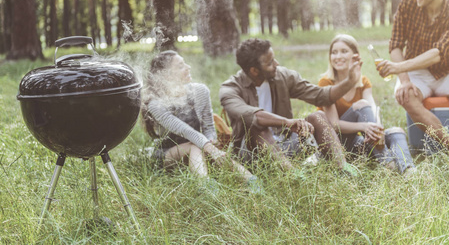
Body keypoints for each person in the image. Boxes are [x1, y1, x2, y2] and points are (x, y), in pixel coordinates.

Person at [219, 38, 361, 176]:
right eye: (270, 63)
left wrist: (349, 81)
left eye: (274, 59)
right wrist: (287, 122)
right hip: (252, 155)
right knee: (257, 129)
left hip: (285, 143)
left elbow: (321, 96)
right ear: (254, 70)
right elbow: (253, 116)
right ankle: (293, 177)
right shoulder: (230, 89)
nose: (276, 63)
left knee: (319, 117)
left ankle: (343, 169)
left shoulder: (282, 76)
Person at [142, 50, 263, 194]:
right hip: (168, 153)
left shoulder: (200, 91)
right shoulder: (156, 104)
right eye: (180, 66)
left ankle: (252, 181)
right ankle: (207, 188)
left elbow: (208, 126)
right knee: (195, 146)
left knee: (200, 147)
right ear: (166, 76)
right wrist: (210, 148)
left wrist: (211, 140)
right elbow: (185, 131)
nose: (188, 67)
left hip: (199, 147)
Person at [377, 0, 449, 149]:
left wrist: (397, 67)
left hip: (445, 72)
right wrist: (405, 80)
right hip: (415, 72)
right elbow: (395, 45)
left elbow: (439, 53)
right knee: (405, 95)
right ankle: (447, 142)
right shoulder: (407, 4)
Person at [318, 34, 415, 174]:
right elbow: (334, 124)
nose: (338, 56)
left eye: (344, 51)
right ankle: (387, 162)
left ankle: (408, 171)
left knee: (396, 132)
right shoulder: (326, 83)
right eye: (334, 52)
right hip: (337, 144)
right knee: (361, 105)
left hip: (358, 141)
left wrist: (378, 130)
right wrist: (365, 126)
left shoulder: (363, 82)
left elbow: (373, 112)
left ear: (355, 56)